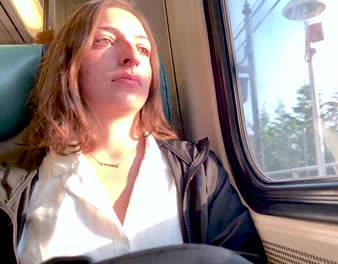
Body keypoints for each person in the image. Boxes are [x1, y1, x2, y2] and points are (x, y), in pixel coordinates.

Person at [0, 0, 266, 263]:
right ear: (68, 64)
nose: (133, 56)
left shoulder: (199, 173)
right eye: (104, 40)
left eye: (143, 48)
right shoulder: (11, 188)